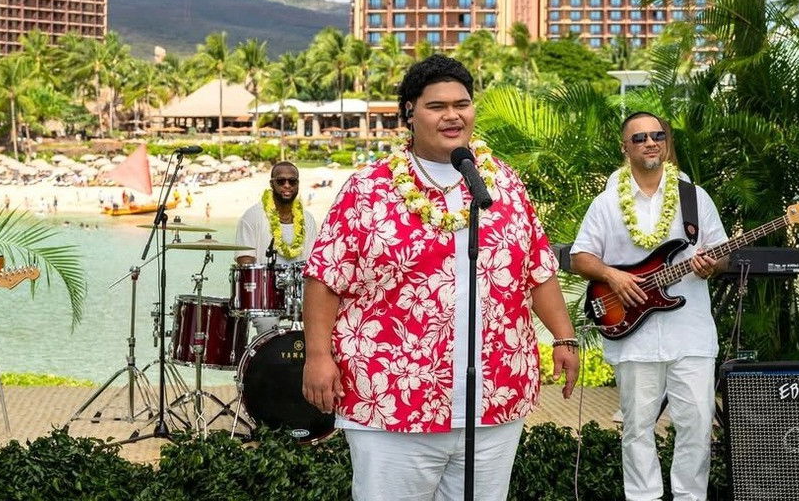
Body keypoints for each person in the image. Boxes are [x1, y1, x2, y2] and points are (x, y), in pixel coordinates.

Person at [302, 55, 579, 501]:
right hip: (392, 397)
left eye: (462, 104)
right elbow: (324, 277)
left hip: (494, 397)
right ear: (410, 112)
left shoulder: (503, 183)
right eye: (437, 106)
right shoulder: (369, 188)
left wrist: (564, 338)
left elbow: (539, 268)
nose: (453, 115)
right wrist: (318, 356)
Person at [570, 111, 727, 501]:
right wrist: (613, 276)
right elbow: (580, 257)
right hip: (632, 336)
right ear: (625, 147)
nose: (650, 142)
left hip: (691, 333)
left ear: (667, 142)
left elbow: (721, 253)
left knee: (697, 426)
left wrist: (712, 264)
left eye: (658, 135)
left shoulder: (694, 197)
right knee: (637, 428)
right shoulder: (607, 202)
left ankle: (690, 497)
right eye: (639, 138)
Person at [234, 161, 319, 335]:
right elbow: (245, 260)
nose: (287, 186)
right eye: (281, 181)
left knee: (318, 323)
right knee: (267, 326)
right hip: (266, 296)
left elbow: (314, 262)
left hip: (300, 293)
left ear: (297, 184)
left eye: (292, 181)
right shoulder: (252, 216)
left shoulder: (307, 219)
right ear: (272, 184)